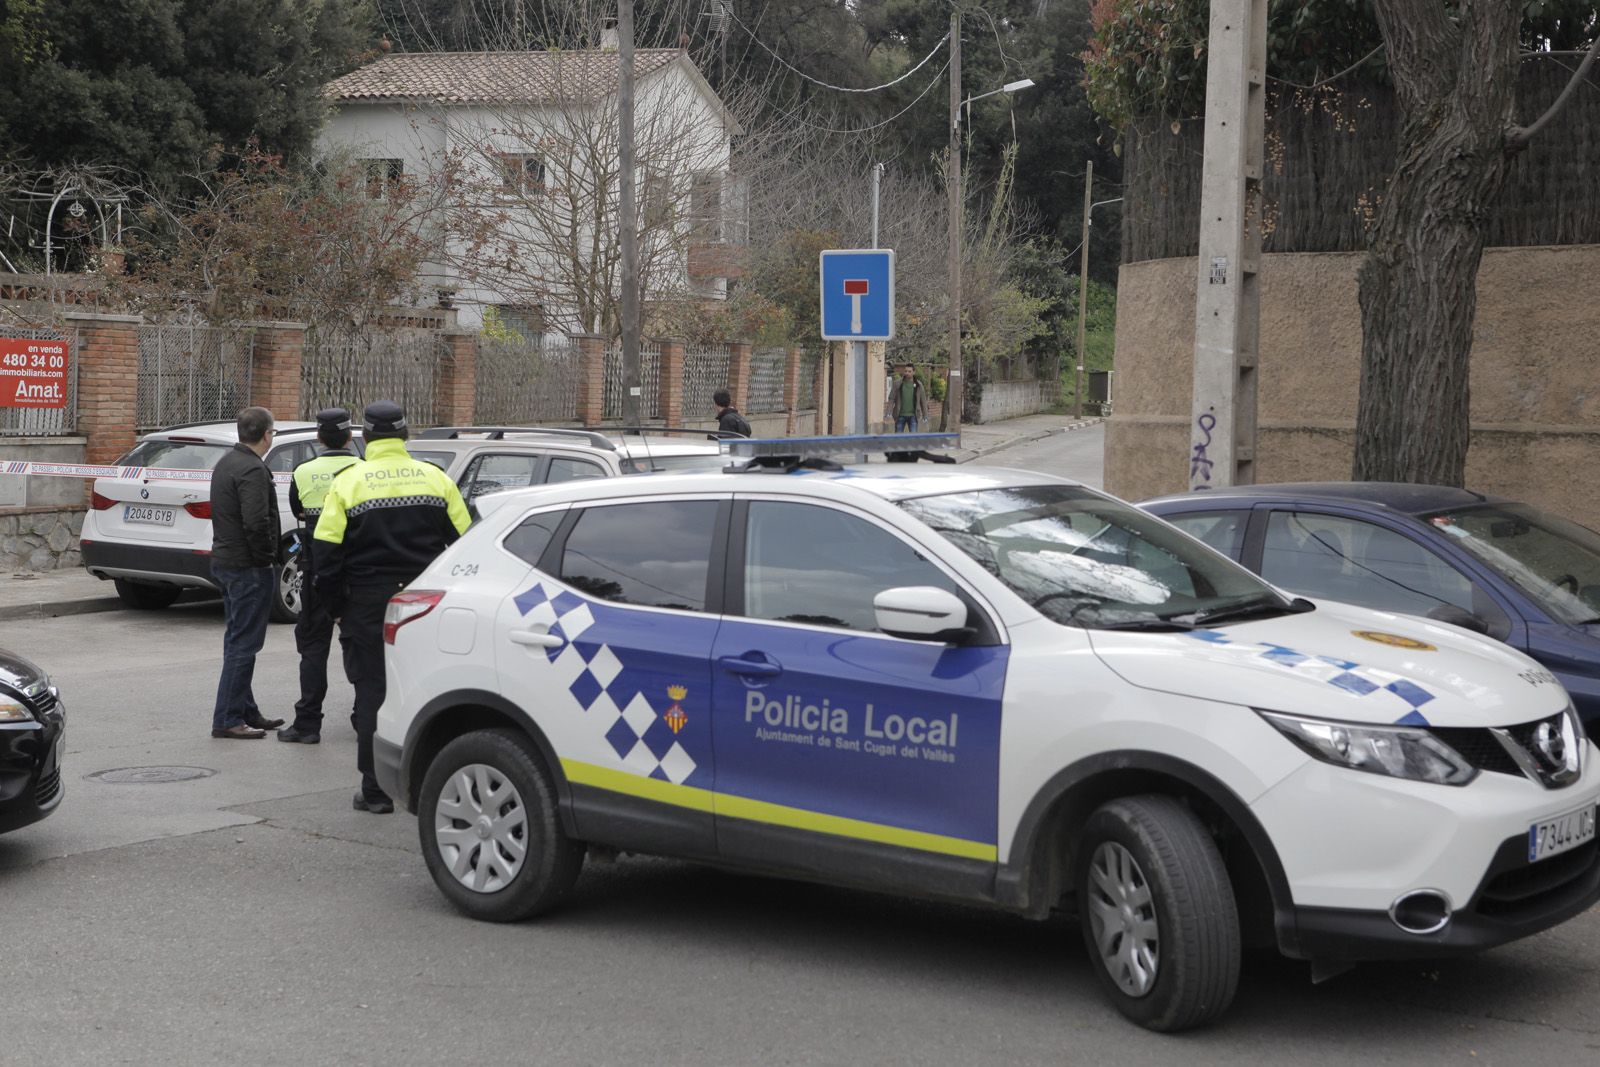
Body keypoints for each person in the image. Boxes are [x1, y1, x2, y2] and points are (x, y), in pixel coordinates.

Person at [314, 401, 470, 813]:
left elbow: (325, 556)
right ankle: (430, 786)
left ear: (365, 436)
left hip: (366, 602)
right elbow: (467, 545)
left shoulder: (349, 482)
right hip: (425, 604)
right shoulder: (436, 479)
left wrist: (334, 607)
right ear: (405, 435)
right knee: (429, 691)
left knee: (372, 694)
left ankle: (375, 791)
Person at [278, 408, 361, 745]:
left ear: (318, 437)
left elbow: (297, 509)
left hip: (315, 569)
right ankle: (363, 717)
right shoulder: (363, 471)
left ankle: (308, 724)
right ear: (351, 437)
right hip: (356, 573)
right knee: (360, 648)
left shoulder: (303, 471)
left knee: (313, 648)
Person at [208, 406, 285, 740]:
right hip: (246, 567)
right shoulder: (252, 469)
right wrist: (266, 558)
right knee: (244, 645)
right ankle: (227, 718)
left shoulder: (227, 462)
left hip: (227, 562)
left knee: (237, 640)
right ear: (266, 434)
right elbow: (256, 522)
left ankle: (245, 709)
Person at [886, 364, 928, 433]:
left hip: (913, 416)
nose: (907, 373)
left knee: (913, 438)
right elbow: (891, 398)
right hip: (900, 415)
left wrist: (925, 415)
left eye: (909, 371)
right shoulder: (898, 384)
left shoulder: (918, 385)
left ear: (914, 372)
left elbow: (923, 401)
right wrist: (889, 412)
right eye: (905, 371)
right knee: (898, 438)